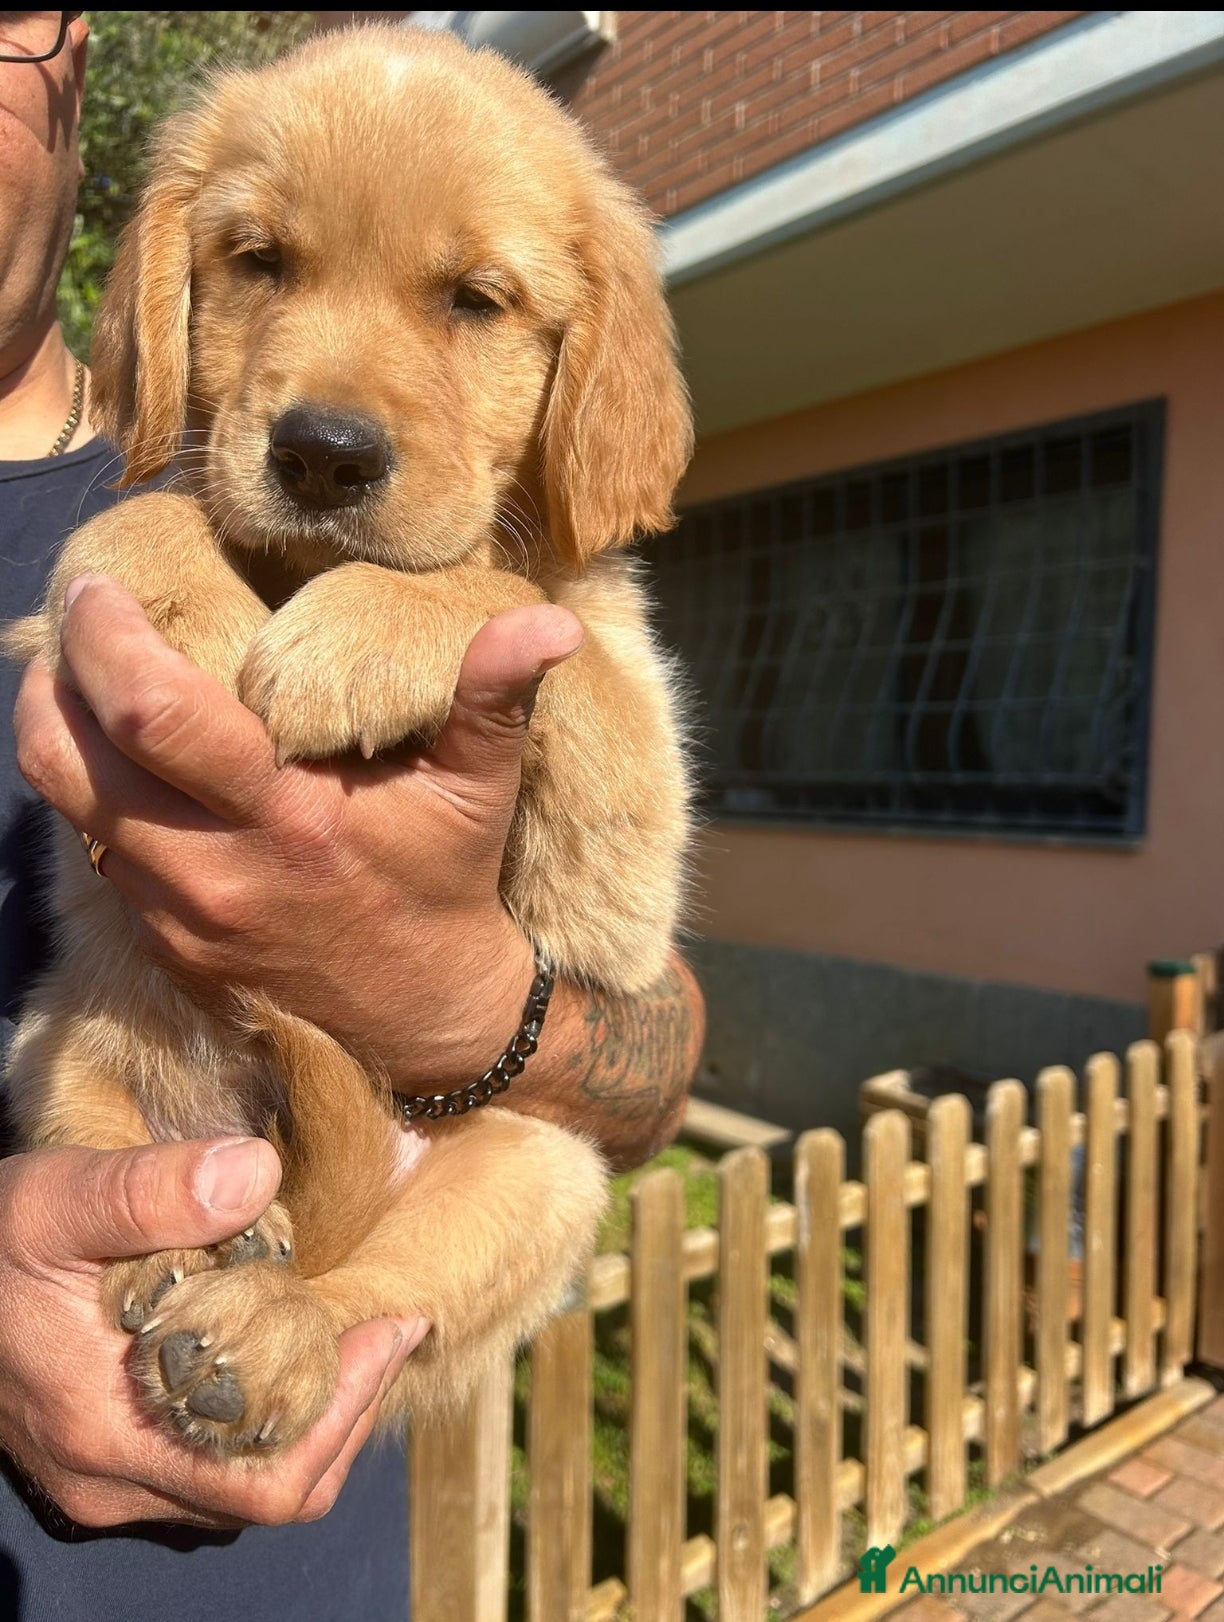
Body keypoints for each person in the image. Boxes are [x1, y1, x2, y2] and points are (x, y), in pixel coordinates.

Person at [0, 13, 704, 1618]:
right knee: (72, 1033)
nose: (327, 402)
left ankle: (319, 1307)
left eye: (472, 301)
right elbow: (125, 557)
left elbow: (645, 1018)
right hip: (142, 1142)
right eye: (264, 262)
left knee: (540, 1177)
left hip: (326, 1493)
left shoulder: (559, 612)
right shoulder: (152, 519)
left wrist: (471, 618)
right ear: (171, 290)